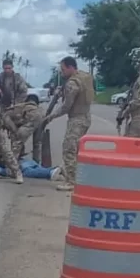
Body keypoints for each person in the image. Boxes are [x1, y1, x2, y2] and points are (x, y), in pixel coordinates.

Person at [44, 56, 94, 192]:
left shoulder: (72, 83)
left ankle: (71, 181)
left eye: (63, 69)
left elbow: (66, 107)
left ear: (71, 67)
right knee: (77, 150)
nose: (62, 72)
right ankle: (78, 177)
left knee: (69, 149)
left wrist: (51, 116)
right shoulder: (85, 76)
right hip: (86, 117)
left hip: (77, 119)